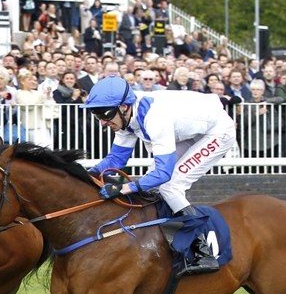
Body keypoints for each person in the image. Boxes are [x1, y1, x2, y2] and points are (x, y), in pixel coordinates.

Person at [83, 75, 237, 276]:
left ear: (124, 107)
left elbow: (163, 174)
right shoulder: (126, 120)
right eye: (98, 116)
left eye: (105, 114)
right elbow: (115, 161)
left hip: (217, 132)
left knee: (168, 185)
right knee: (153, 185)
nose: (103, 123)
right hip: (190, 132)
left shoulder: (154, 118)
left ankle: (202, 251)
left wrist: (122, 188)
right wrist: (85, 176)